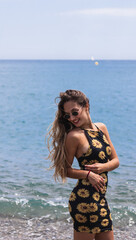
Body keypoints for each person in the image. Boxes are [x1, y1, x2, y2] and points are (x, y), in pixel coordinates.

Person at [47, 89, 119, 240]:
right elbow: (64, 170)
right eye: (67, 116)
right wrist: (88, 174)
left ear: (86, 105)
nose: (71, 118)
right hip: (83, 201)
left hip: (100, 198)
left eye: (74, 112)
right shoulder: (74, 136)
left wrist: (102, 167)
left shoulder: (101, 128)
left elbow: (115, 161)